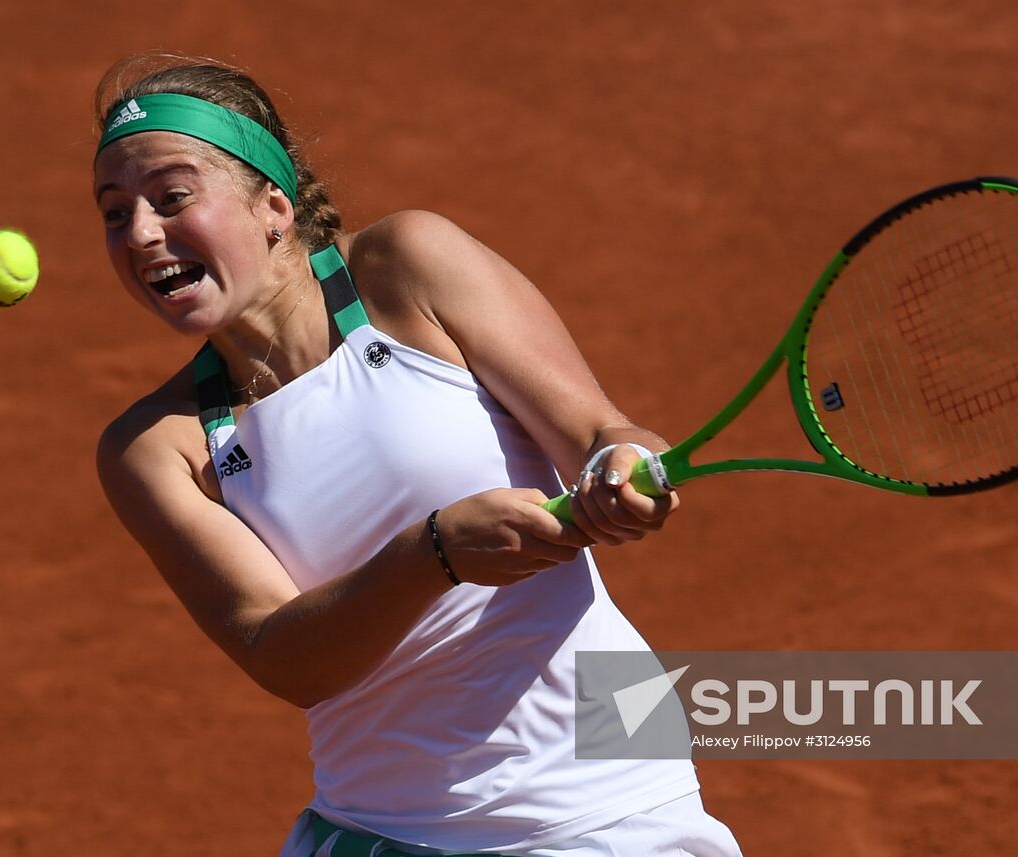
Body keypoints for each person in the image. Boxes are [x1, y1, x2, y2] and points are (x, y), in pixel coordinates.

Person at [92, 52, 741, 857]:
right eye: (115, 213)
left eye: (172, 197)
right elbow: (283, 654)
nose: (142, 233)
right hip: (379, 833)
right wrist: (434, 553)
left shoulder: (407, 268)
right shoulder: (156, 447)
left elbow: (603, 433)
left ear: (273, 206)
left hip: (602, 811)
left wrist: (620, 472)